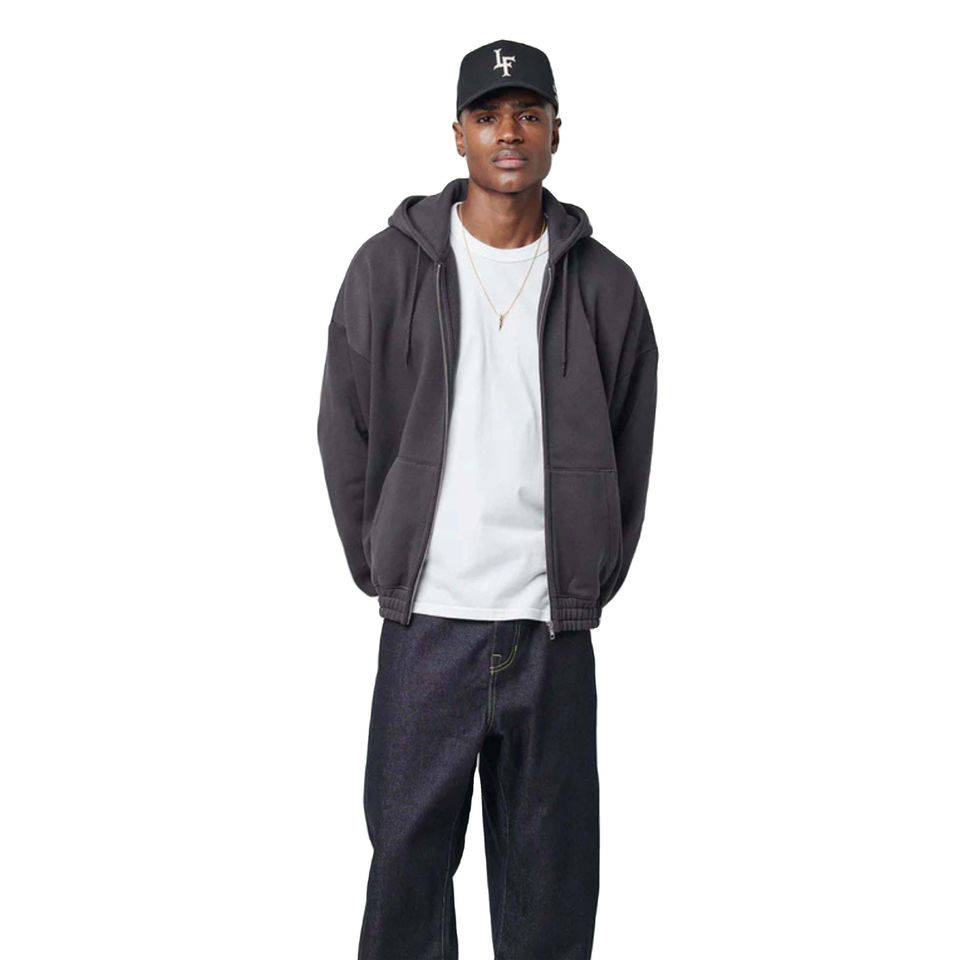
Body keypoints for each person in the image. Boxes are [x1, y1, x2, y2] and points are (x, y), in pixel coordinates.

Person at [317, 38, 658, 960]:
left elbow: (630, 447)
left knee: (551, 888)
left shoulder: (606, 287)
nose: (510, 132)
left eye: (529, 115)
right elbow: (343, 429)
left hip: (552, 633)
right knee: (406, 882)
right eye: (489, 116)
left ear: (556, 133)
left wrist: (585, 580)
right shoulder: (388, 270)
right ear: (458, 134)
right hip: (429, 623)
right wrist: (385, 561)